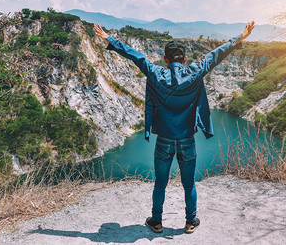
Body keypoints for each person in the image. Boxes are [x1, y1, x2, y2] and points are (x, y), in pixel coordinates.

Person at [94, 21, 255, 234]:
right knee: (189, 184)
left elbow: (135, 55)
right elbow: (216, 55)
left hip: (164, 140)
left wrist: (109, 38)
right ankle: (190, 222)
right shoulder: (195, 72)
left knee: (160, 184)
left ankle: (157, 221)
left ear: (166, 59)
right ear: (185, 59)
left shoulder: (156, 73)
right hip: (187, 139)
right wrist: (241, 36)